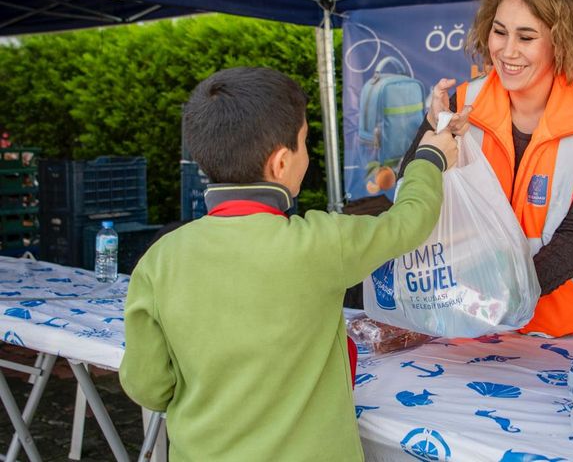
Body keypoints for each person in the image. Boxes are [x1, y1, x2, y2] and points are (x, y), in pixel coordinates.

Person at [119, 67, 458, 461]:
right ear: (281, 163)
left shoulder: (160, 258)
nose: (307, 155)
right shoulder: (320, 243)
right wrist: (430, 158)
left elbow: (147, 386)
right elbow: (409, 221)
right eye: (304, 143)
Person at [399, 0, 573, 338]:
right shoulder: (460, 101)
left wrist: (498, 300)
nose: (507, 50)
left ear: (562, 41)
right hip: (468, 328)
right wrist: (435, 139)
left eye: (526, 37)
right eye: (499, 32)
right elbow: (412, 196)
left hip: (565, 333)